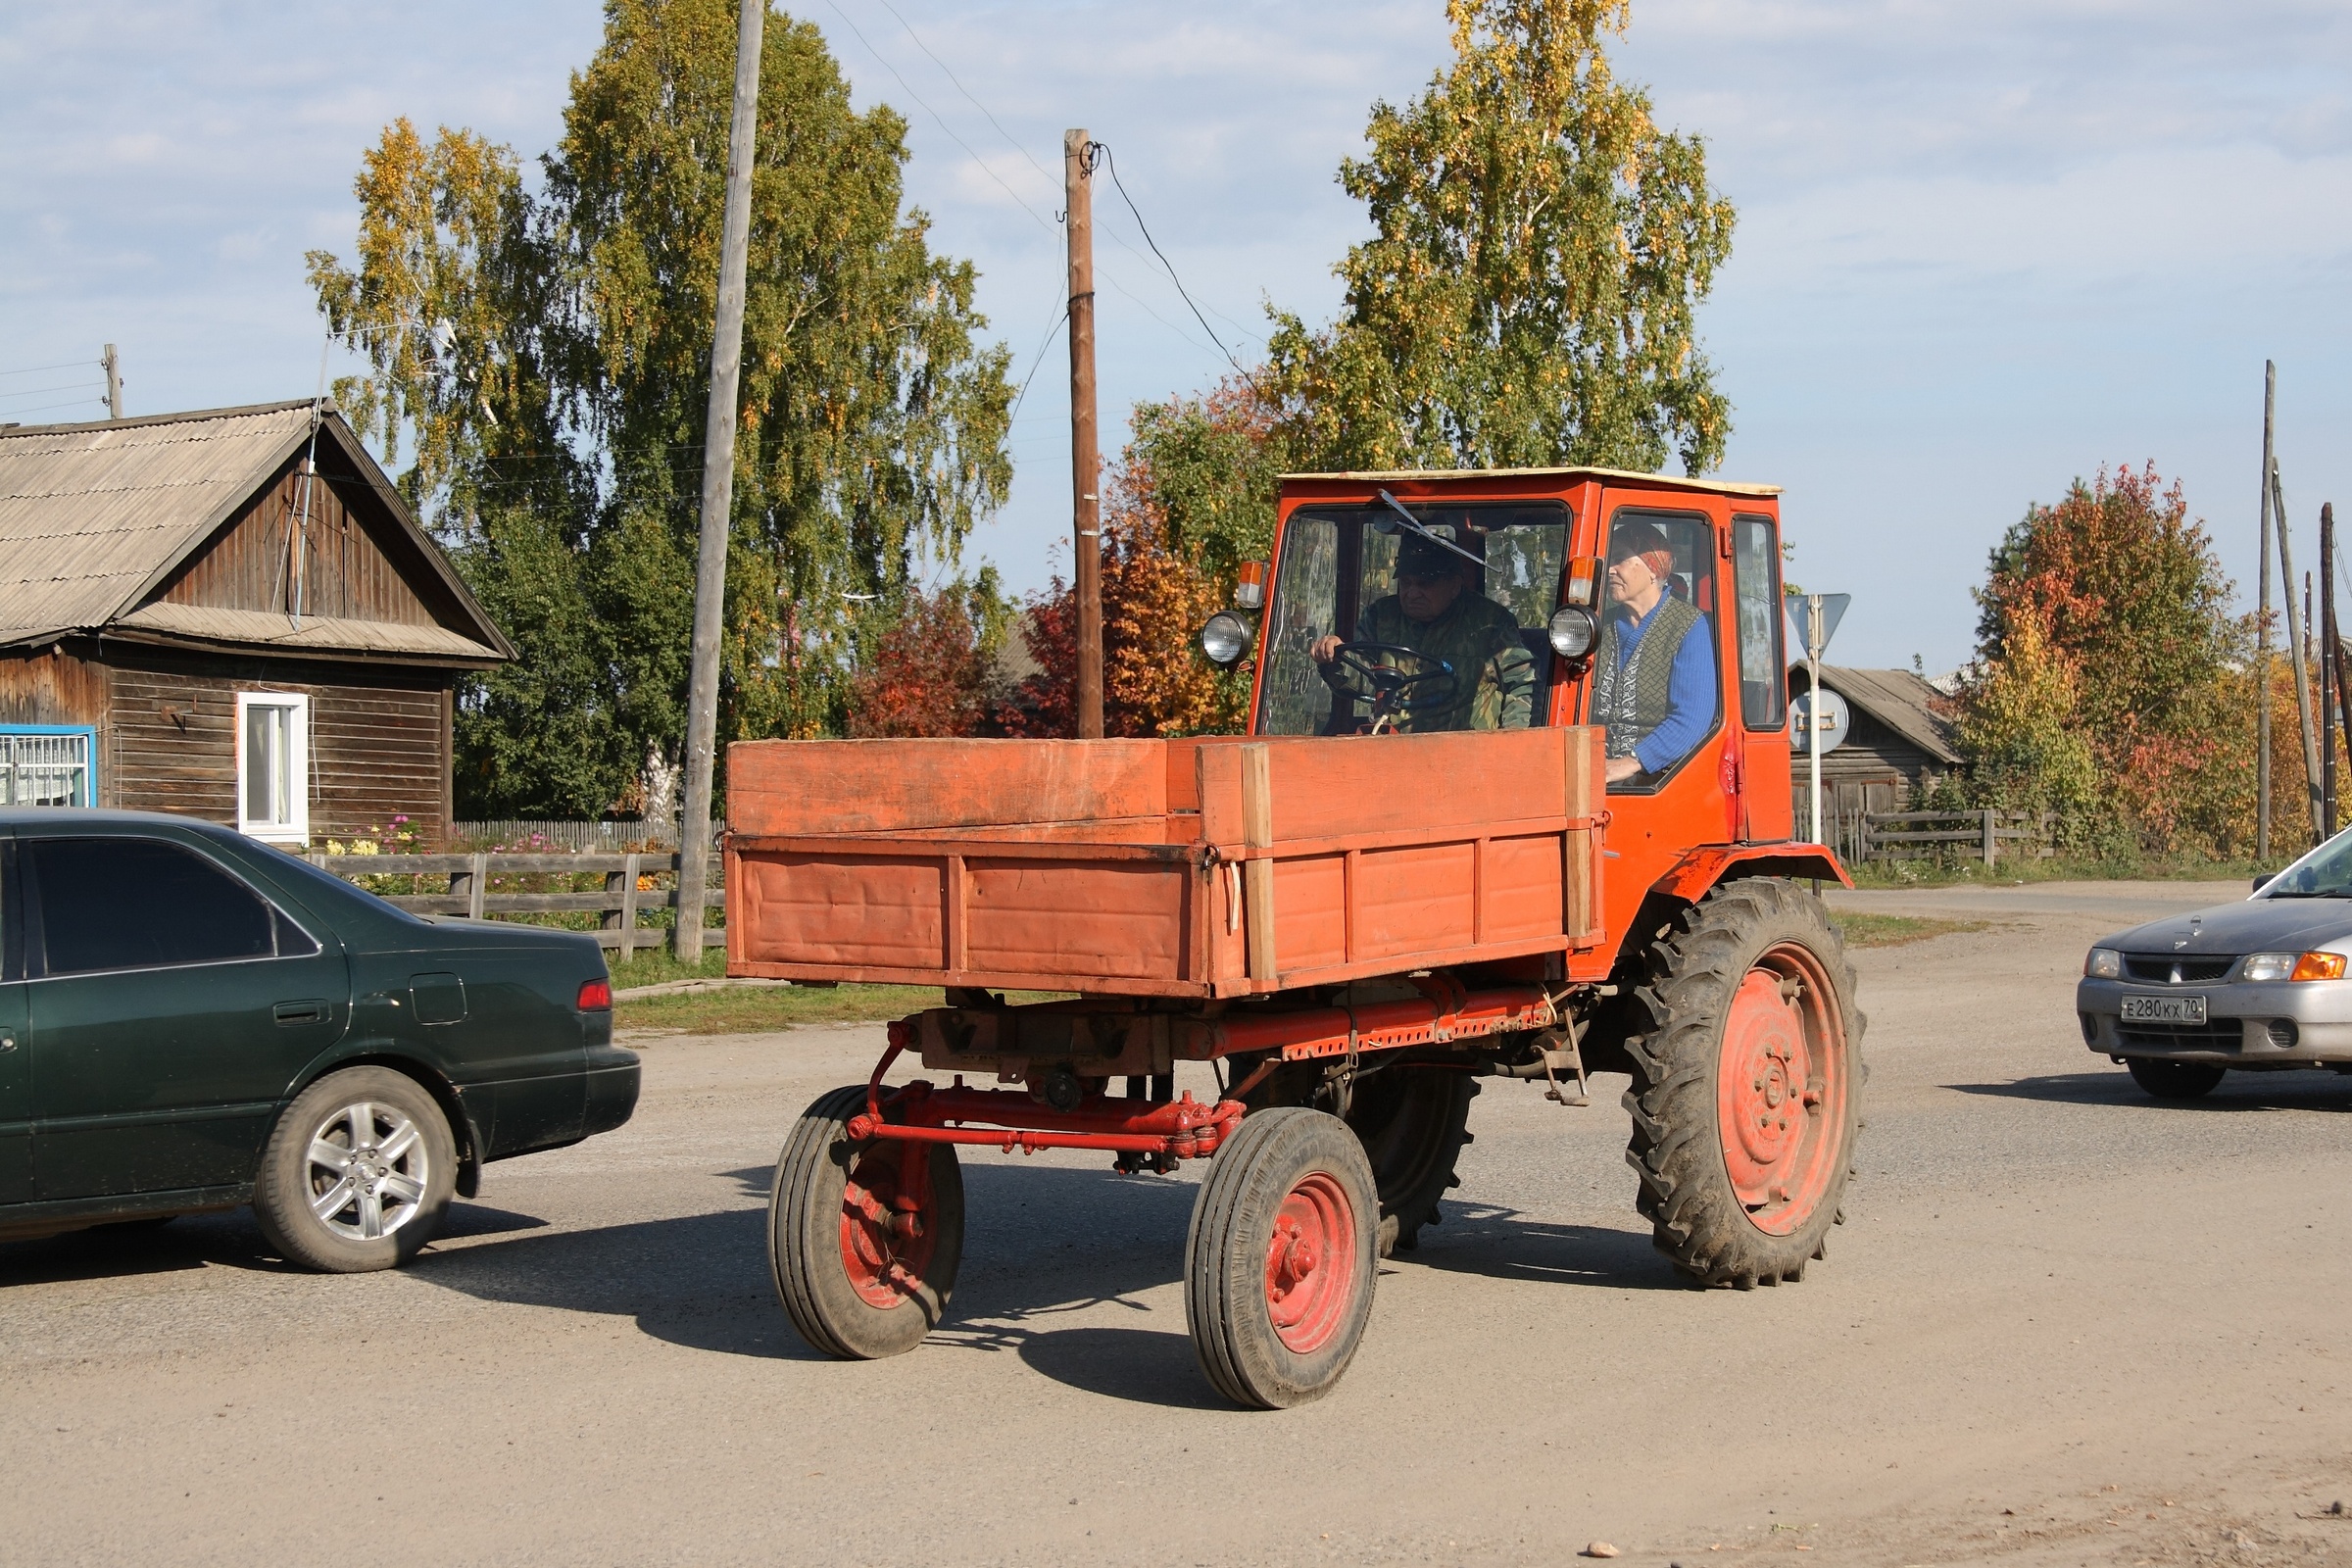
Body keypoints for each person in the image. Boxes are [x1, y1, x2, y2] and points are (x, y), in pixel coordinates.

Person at [1309, 528, 1535, 732]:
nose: (1412, 593)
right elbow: (1362, 681)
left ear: (1454, 586)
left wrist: (1511, 743)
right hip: (1390, 752)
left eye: (1424, 584)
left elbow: (1522, 684)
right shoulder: (1380, 617)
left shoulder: (1490, 622)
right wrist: (1337, 659)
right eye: (1406, 583)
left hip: (1467, 756)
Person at [1592, 520, 1717, 784]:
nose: (1610, 569)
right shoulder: (1598, 626)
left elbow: (1691, 719)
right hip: (1592, 773)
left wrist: (1631, 762)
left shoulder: (1690, 627)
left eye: (1620, 559)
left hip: (1660, 781)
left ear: (1652, 568)